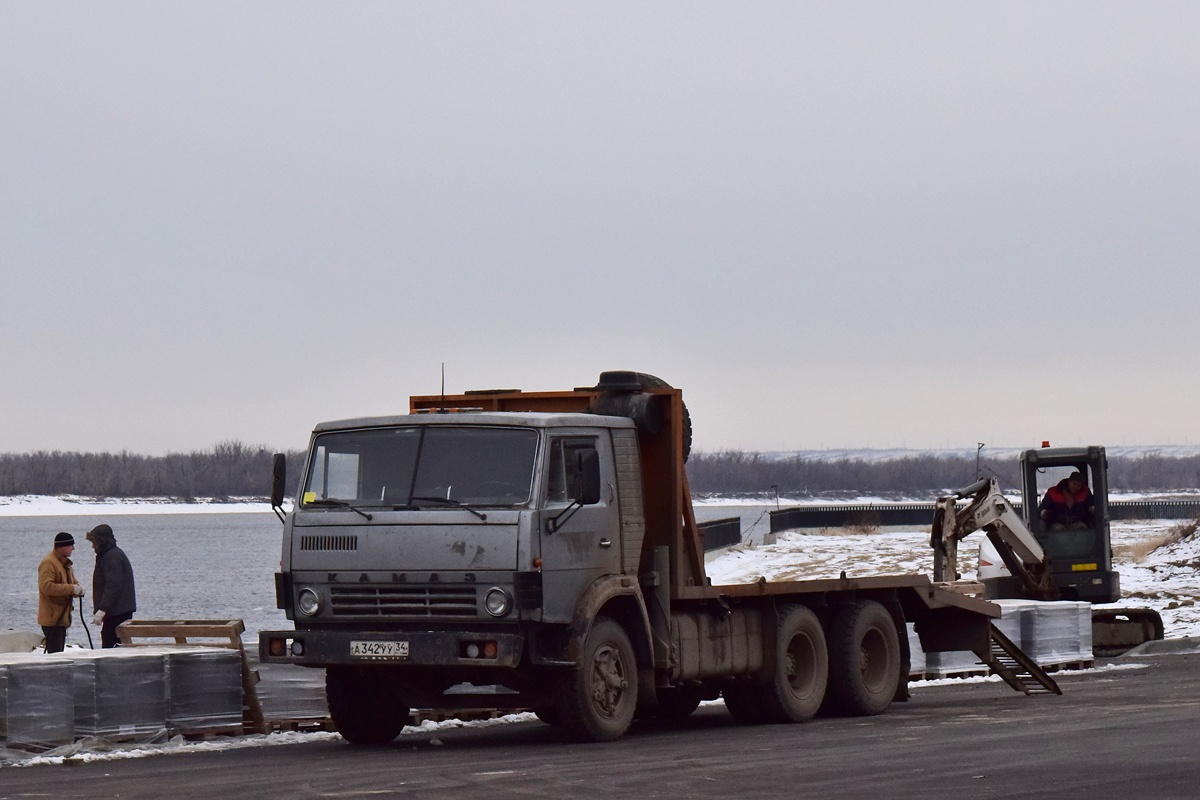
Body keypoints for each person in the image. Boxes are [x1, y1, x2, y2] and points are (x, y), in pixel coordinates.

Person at [85, 524, 137, 648]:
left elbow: (113, 585)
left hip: (118, 613)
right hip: (116, 612)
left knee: (111, 646)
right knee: (112, 644)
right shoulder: (110, 555)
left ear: (101, 542)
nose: (93, 546)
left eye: (94, 542)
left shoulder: (112, 557)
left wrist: (102, 609)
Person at [38, 532, 85, 653]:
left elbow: (72, 583)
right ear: (62, 546)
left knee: (58, 653)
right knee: (55, 656)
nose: (73, 548)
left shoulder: (65, 565)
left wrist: (78, 590)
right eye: (71, 545)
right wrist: (72, 589)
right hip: (52, 619)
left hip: (62, 619)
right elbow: (46, 587)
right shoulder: (49, 563)